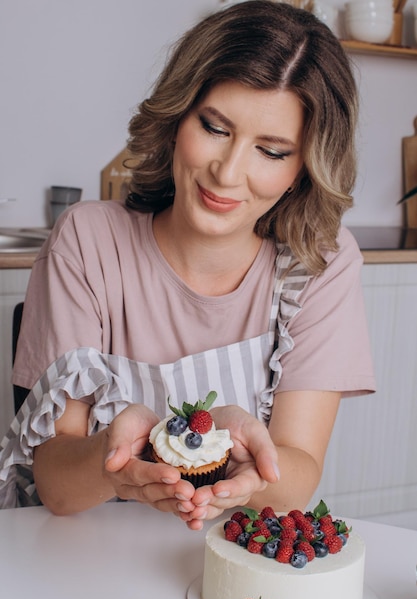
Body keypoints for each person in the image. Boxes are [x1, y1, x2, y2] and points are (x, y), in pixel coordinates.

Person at [0, 0, 375, 529]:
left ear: (304, 168)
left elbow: (296, 481)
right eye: (215, 127)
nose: (227, 172)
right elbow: (56, 488)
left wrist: (251, 467)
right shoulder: (87, 241)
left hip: (227, 561)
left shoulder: (320, 264)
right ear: (178, 116)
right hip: (76, 555)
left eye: (271, 151)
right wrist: (113, 459)